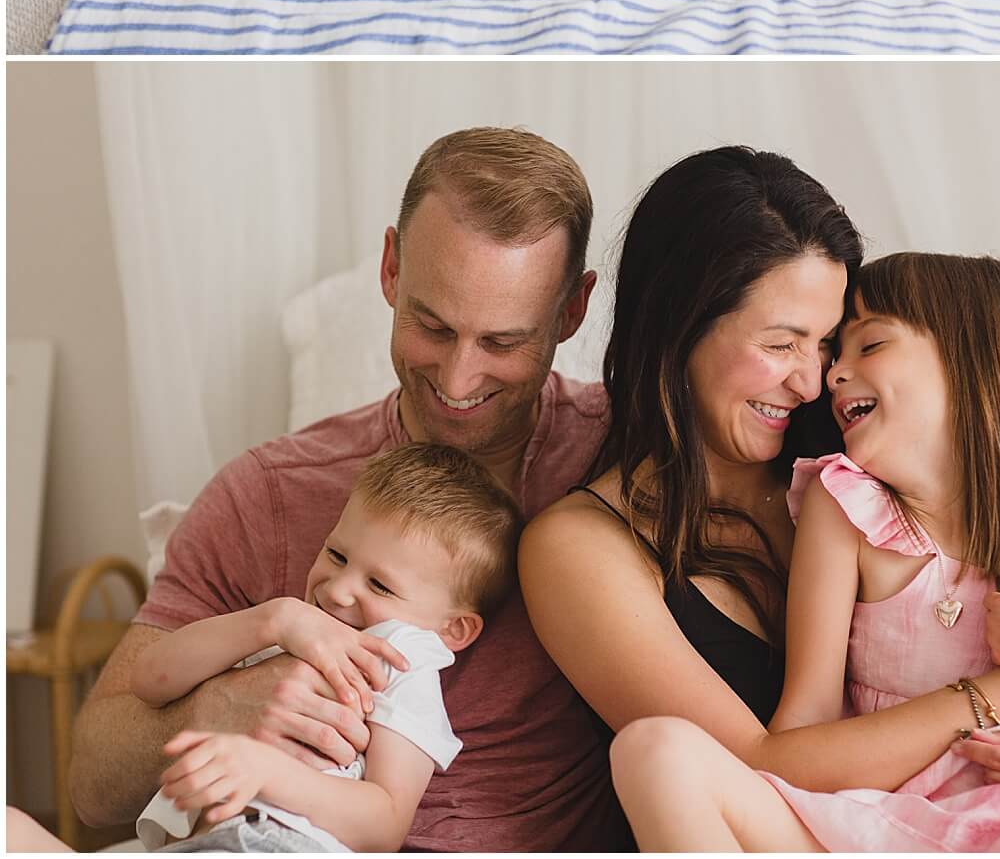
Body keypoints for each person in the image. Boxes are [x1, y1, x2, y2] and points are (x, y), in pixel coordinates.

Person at [518, 148, 1000, 842]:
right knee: (653, 752)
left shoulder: (877, 456)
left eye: (831, 344)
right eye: (781, 345)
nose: (815, 383)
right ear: (679, 324)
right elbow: (756, 763)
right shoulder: (586, 547)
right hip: (807, 822)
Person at [64, 127, 627, 854]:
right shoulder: (266, 494)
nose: (457, 381)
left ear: (572, 313)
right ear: (392, 269)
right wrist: (217, 709)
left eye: (503, 343)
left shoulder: (627, 462)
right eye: (432, 325)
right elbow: (92, 783)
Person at [14, 444, 521, 854]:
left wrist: (264, 772)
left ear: (453, 629)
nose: (339, 589)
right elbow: (150, 680)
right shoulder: (289, 628)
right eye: (337, 554)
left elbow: (384, 822)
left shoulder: (398, 658)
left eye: (381, 586)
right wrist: (271, 620)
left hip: (277, 845)